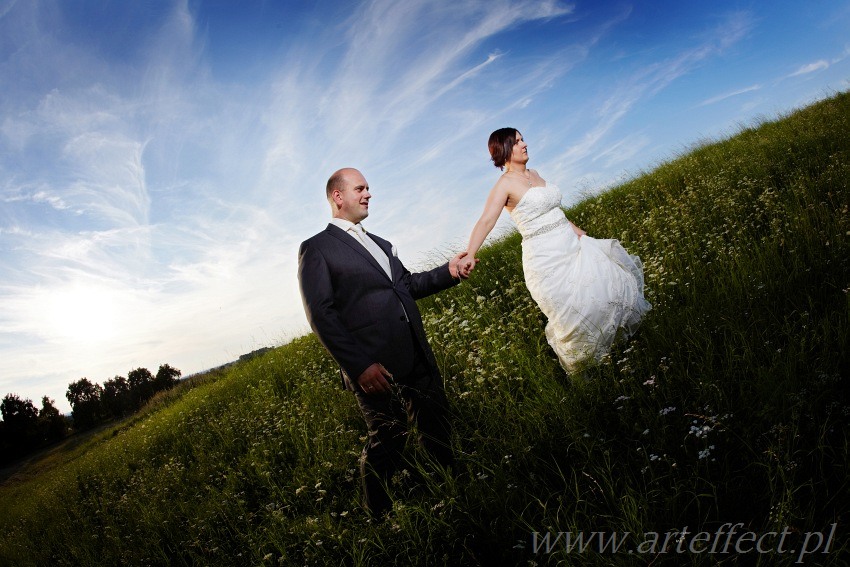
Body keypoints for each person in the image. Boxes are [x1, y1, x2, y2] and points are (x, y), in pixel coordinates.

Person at [298, 167, 475, 518]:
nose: (368, 194)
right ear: (338, 196)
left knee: (437, 426)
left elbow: (405, 285)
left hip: (415, 354)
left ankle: (456, 491)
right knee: (389, 443)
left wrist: (449, 271)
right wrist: (359, 366)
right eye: (360, 188)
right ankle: (378, 515)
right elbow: (321, 314)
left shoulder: (381, 243)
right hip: (374, 369)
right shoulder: (317, 248)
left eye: (368, 188)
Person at [458, 128, 651, 372]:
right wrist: (470, 254)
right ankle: (587, 373)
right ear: (504, 150)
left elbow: (552, 209)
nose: (525, 144)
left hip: (572, 246)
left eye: (523, 139)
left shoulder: (535, 174)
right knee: (575, 315)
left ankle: (622, 358)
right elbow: (486, 220)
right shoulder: (504, 184)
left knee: (606, 292)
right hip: (546, 260)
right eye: (517, 142)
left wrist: (577, 230)